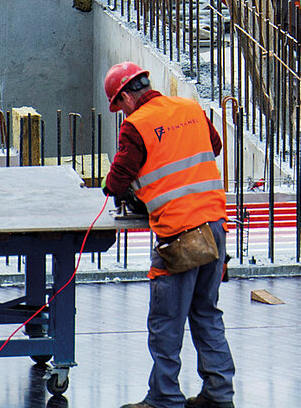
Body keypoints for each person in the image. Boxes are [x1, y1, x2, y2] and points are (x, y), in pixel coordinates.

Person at [102, 61, 236, 408]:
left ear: (126, 98)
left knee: (166, 322)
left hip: (178, 235)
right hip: (216, 226)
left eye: (120, 107)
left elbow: (115, 183)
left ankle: (164, 398)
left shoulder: (136, 125)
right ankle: (219, 396)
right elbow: (214, 146)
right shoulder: (189, 107)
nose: (122, 113)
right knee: (206, 313)